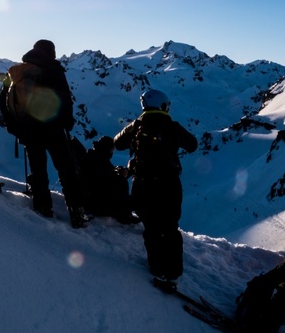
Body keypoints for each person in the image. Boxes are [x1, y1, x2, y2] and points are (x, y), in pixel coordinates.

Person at [114, 89, 197, 285]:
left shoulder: (137, 125)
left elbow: (118, 143)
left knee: (150, 227)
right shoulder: (171, 126)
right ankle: (174, 270)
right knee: (170, 227)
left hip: (142, 183)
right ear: (162, 105)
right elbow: (192, 145)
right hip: (169, 183)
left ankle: (157, 267)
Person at [6, 39, 90, 227]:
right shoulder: (53, 69)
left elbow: (7, 100)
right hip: (52, 128)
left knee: (38, 169)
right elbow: (64, 98)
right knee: (66, 169)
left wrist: (18, 127)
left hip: (29, 129)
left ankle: (43, 207)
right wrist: (66, 122)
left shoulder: (21, 71)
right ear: (50, 52)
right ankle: (76, 212)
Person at [80, 136, 137, 224]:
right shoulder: (99, 160)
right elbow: (106, 182)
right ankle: (124, 215)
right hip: (97, 203)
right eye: (111, 150)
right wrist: (121, 176)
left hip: (93, 199)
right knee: (132, 198)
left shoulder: (94, 156)